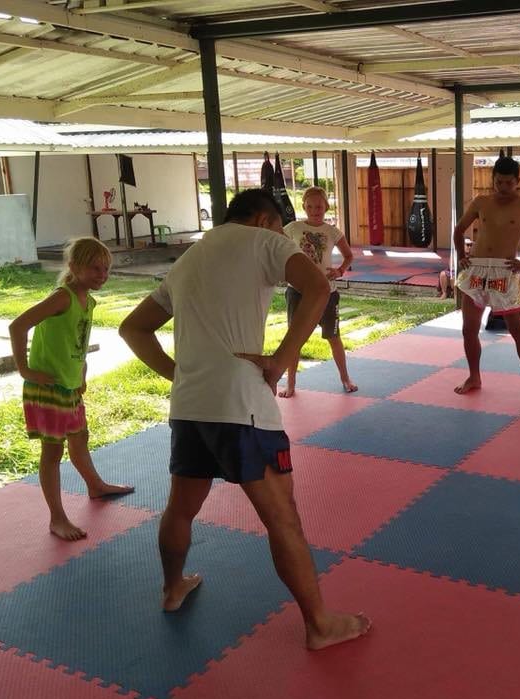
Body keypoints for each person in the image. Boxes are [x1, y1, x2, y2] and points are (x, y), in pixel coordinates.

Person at [119, 189, 370, 649]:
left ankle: (173, 588)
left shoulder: (191, 256)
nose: (282, 237)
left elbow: (132, 328)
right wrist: (280, 360)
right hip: (241, 406)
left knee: (181, 506)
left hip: (191, 405)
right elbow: (318, 287)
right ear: (263, 219)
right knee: (284, 519)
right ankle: (319, 624)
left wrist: (179, 376)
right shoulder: (264, 239)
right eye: (278, 227)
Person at [9, 237, 133, 541]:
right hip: (48, 387)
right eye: (94, 268)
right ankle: (57, 518)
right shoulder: (62, 297)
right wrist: (25, 370)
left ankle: (95, 485)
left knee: (80, 437)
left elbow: (77, 340)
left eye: (106, 269)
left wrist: (82, 373)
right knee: (52, 452)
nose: (102, 275)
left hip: (69, 386)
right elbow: (17, 326)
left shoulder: (88, 300)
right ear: (74, 267)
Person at [452, 155, 520, 400]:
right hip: (476, 271)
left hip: (505, 271)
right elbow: (458, 230)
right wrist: (461, 256)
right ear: (493, 179)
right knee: (468, 330)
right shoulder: (481, 201)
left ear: (518, 180)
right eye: (499, 182)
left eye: (509, 183)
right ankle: (474, 376)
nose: (504, 187)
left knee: (518, 331)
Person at [280, 186, 357, 397]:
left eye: (320, 206)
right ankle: (291, 384)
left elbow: (349, 255)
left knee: (334, 336)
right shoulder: (293, 228)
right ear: (304, 206)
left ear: (326, 207)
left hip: (326, 291)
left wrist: (340, 270)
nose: (315, 210)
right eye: (311, 206)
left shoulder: (332, 231)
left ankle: (345, 378)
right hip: (298, 290)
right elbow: (276, 247)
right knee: (294, 338)